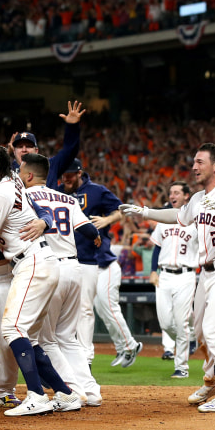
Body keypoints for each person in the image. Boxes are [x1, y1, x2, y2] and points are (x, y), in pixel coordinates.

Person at [120, 142, 215, 413]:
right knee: (199, 334)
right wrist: (146, 212)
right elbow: (179, 216)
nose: (194, 167)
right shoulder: (196, 198)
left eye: (200, 162)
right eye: (194, 162)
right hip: (205, 274)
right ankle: (213, 381)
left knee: (214, 331)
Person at [0, 143, 81, 416]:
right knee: (29, 338)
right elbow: (36, 207)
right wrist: (45, 219)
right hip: (41, 261)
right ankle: (66, 395)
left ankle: (36, 394)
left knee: (12, 330)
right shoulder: (12, 181)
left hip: (31, 261)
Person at [20, 153, 104, 408]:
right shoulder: (67, 198)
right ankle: (92, 391)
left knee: (47, 339)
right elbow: (88, 229)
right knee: (68, 337)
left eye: (22, 172)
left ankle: (73, 391)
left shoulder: (24, 196)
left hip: (50, 268)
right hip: (75, 268)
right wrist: (96, 236)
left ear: (29, 175)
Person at [59, 158, 143, 368]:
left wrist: (107, 220)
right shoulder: (57, 191)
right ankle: (128, 344)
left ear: (79, 173)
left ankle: (125, 346)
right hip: (76, 261)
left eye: (70, 174)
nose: (66, 178)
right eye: (64, 174)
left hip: (101, 261)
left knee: (103, 307)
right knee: (93, 309)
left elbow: (122, 209)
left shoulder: (96, 191)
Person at [148, 181, 198, 379]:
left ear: (187, 196)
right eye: (170, 192)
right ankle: (192, 337)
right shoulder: (163, 219)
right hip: (165, 276)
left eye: (176, 192)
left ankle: (181, 367)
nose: (172, 195)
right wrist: (153, 270)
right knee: (166, 323)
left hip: (186, 275)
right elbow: (157, 247)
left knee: (181, 322)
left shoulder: (195, 220)